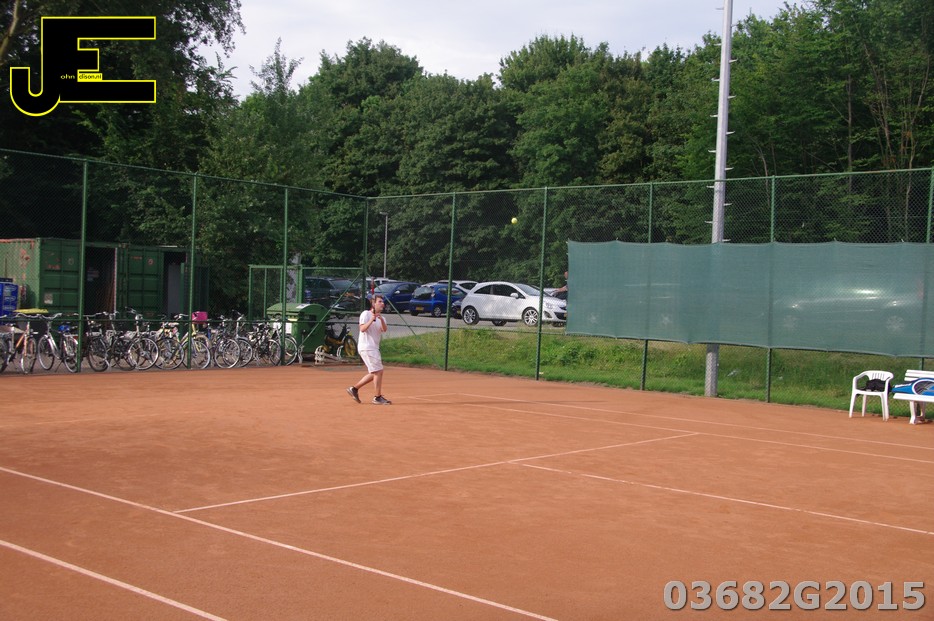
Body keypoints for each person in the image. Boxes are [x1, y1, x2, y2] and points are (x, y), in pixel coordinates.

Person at [346, 294, 391, 405]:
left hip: (374, 347)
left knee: (375, 372)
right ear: (373, 303)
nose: (382, 304)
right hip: (367, 347)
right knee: (378, 371)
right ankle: (377, 397)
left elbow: (384, 329)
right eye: (380, 301)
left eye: (383, 302)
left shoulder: (382, 318)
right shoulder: (365, 314)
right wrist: (371, 319)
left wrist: (381, 319)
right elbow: (362, 329)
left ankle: (354, 389)